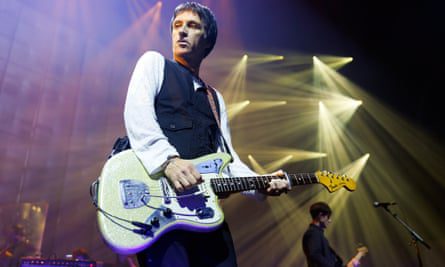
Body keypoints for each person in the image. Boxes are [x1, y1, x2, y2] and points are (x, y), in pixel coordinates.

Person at [123, 2, 290, 266]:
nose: (181, 32)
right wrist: (167, 161)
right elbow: (137, 117)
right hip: (163, 213)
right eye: (177, 26)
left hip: (205, 211)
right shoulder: (154, 63)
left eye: (192, 26)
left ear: (207, 39)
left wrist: (261, 183)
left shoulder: (215, 99)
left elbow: (227, 159)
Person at [302, 202, 360, 267]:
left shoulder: (316, 233)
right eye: (328, 217)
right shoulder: (313, 233)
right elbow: (315, 255)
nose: (330, 220)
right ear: (320, 215)